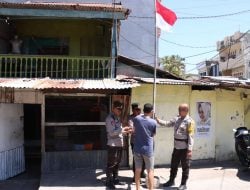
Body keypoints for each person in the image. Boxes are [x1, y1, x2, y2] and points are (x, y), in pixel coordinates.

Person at [156, 104, 195, 190]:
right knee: (174, 165)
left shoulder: (190, 121)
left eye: (180, 110)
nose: (178, 111)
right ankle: (171, 180)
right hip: (176, 147)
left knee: (185, 167)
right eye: (179, 109)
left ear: (186, 111)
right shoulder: (177, 118)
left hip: (185, 148)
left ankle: (183, 184)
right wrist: (158, 121)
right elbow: (168, 123)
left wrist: (189, 150)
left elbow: (191, 136)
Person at [105, 101, 131, 189]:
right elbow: (112, 133)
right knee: (111, 163)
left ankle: (115, 178)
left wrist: (125, 130)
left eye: (121, 109)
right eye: (118, 109)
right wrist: (122, 130)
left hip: (119, 143)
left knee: (117, 162)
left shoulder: (117, 118)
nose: (120, 111)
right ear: (113, 108)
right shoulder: (110, 118)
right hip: (113, 144)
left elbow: (118, 131)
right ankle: (108, 181)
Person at [133, 103, 157, 190]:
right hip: (148, 149)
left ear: (143, 110)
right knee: (150, 170)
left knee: (138, 169)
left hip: (137, 148)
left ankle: (137, 188)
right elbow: (153, 134)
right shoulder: (153, 122)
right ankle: (151, 189)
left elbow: (134, 129)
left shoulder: (136, 119)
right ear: (151, 111)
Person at [128, 103, 146, 182]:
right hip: (135, 142)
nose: (139, 111)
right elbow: (132, 130)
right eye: (137, 110)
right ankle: (136, 175)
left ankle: (142, 172)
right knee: (136, 159)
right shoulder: (131, 118)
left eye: (140, 109)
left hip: (144, 141)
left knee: (144, 158)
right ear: (133, 110)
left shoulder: (143, 116)